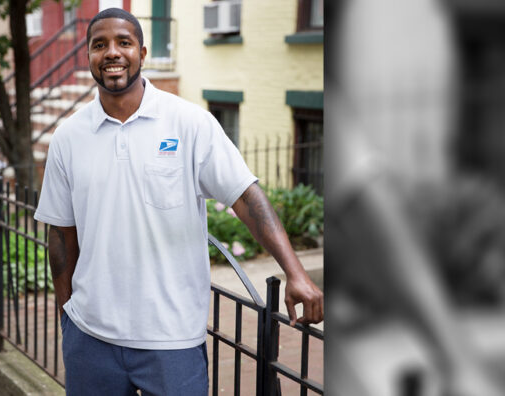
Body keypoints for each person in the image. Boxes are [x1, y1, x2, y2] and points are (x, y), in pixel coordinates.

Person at [34, 8, 323, 395]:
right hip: (90, 337)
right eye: (99, 45)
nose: (112, 53)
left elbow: (244, 197)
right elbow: (61, 236)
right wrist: (68, 318)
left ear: (142, 51)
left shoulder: (190, 123)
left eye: (124, 42)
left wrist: (295, 271)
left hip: (172, 341)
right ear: (88, 56)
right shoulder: (69, 137)